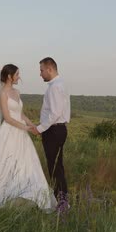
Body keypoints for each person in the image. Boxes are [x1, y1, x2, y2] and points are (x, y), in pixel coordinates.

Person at [0, 64, 57, 212]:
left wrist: (34, 126)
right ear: (10, 77)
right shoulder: (2, 94)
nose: (19, 77)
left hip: (22, 132)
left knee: (26, 163)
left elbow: (21, 114)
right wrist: (25, 128)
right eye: (17, 74)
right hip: (9, 132)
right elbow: (8, 118)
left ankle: (29, 191)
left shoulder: (17, 92)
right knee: (7, 164)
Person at [30, 57, 71, 208]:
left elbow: (54, 114)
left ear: (50, 69)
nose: (40, 74)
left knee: (54, 168)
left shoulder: (55, 87)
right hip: (58, 129)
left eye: (41, 70)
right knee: (57, 166)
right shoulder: (61, 84)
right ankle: (61, 200)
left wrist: (39, 128)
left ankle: (61, 203)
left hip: (54, 130)